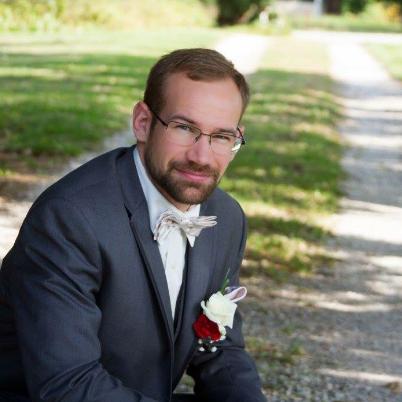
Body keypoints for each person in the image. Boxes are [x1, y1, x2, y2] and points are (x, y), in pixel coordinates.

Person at [0, 48, 266, 402]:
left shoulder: (226, 218)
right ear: (142, 122)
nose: (201, 156)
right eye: (184, 128)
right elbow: (68, 385)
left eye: (221, 136)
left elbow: (219, 348)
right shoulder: (69, 219)